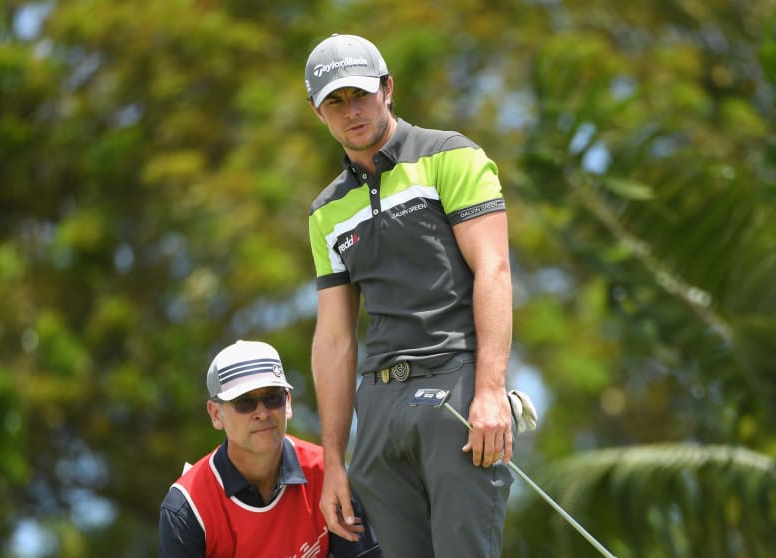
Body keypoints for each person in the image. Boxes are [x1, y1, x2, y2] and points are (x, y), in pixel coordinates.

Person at [305, 34, 515, 557]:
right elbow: (334, 337)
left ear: (388, 88)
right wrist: (334, 461)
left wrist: (490, 390)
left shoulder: (450, 156)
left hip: (456, 387)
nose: (351, 110)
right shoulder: (325, 212)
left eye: (359, 94)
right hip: (377, 409)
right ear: (318, 113)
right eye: (335, 101)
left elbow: (494, 268)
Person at [159, 339, 382, 557]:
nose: (263, 413)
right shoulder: (187, 508)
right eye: (244, 402)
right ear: (216, 414)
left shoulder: (328, 475)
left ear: (288, 403)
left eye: (273, 398)